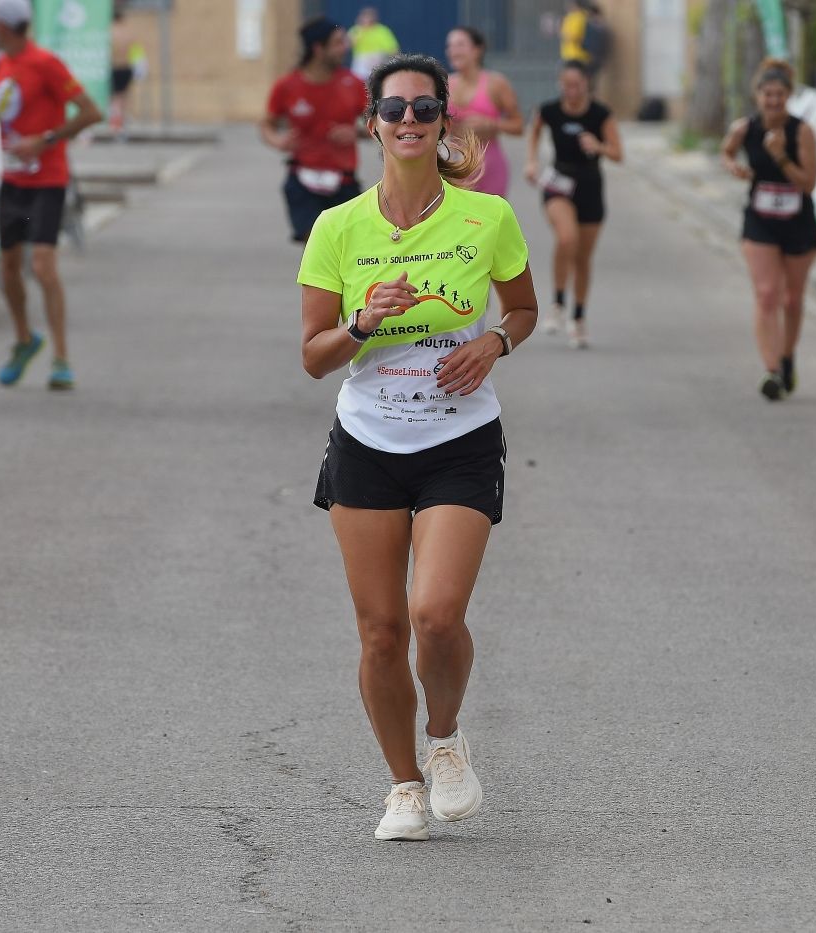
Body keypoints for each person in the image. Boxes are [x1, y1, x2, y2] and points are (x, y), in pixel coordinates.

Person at [297, 53, 538, 842]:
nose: (409, 121)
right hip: (368, 438)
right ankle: (403, 784)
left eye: (424, 109)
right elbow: (314, 354)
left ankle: (444, 739)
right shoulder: (338, 227)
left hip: (458, 437)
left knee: (434, 615)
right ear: (371, 123)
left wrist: (495, 342)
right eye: (394, 109)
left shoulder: (487, 216)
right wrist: (363, 323)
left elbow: (525, 308)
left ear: (442, 125)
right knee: (380, 631)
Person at [0, 0, 102, 391]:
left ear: (7, 26)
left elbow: (90, 112)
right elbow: (1, 110)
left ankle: (62, 357)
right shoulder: (2, 63)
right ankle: (24, 339)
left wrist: (45, 140)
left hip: (47, 181)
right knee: (8, 268)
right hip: (13, 182)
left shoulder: (45, 63)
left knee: (44, 266)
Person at [720, 58, 816, 400]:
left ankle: (787, 355)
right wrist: (733, 166)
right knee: (766, 295)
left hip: (798, 222)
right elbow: (727, 151)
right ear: (757, 96)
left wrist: (780, 157)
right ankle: (772, 371)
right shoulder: (744, 128)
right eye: (767, 95)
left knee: (792, 300)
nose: (773, 101)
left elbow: (809, 183)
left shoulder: (801, 132)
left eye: (779, 95)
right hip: (760, 220)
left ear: (789, 96)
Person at [524, 60, 621, 349]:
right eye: (566, 85)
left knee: (582, 258)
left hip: (590, 186)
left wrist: (599, 146)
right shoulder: (550, 110)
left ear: (587, 84)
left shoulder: (600, 114)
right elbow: (535, 130)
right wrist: (532, 161)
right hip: (559, 183)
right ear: (560, 84)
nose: (571, 91)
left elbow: (618, 153)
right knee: (567, 238)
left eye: (577, 85)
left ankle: (578, 318)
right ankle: (556, 303)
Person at [261, 17, 367, 244]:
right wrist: (278, 141)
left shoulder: (353, 84)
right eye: (338, 43)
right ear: (318, 49)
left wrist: (356, 132)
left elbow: (378, 125)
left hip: (344, 181)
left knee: (347, 250)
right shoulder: (287, 86)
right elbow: (267, 124)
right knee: (316, 247)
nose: (345, 48)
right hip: (302, 179)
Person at [445, 26, 523, 198]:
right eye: (449, 46)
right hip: (456, 166)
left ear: (477, 50)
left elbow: (518, 126)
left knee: (490, 223)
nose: (453, 51)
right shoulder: (444, 85)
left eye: (459, 45)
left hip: (490, 167)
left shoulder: (496, 83)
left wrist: (492, 124)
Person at [347, 6, 398, 82]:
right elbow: (348, 45)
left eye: (370, 17)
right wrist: (361, 30)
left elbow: (393, 50)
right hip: (360, 65)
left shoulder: (382, 31)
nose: (367, 19)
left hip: (378, 64)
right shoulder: (356, 30)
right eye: (365, 17)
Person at [109, 8, 133, 136]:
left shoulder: (109, 32)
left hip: (114, 67)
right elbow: (135, 50)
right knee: (123, 98)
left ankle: (116, 124)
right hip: (126, 67)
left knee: (114, 99)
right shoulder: (127, 33)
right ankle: (121, 123)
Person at [559, 0, 592, 67]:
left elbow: (575, 36)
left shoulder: (579, 17)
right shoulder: (570, 17)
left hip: (577, 56)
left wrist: (565, 35)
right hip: (570, 55)